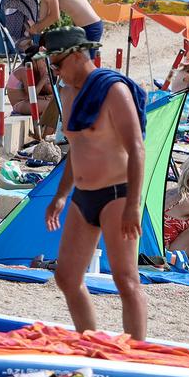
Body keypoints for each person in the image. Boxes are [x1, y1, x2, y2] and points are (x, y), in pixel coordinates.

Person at [41, 28, 148, 339]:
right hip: (83, 195)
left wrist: (133, 205)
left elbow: (137, 148)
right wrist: (61, 195)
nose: (56, 72)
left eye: (58, 64)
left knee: (125, 279)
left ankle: (138, 354)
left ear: (77, 55)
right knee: (66, 277)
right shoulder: (69, 93)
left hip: (117, 195)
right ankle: (89, 341)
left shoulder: (113, 90)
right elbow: (77, 149)